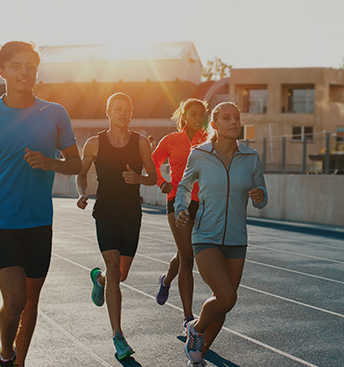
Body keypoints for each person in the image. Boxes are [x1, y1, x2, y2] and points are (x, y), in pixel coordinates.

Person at [0, 41, 82, 367]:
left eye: (30, 66)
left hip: (39, 222)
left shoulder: (54, 113)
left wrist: (50, 163)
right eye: (16, 66)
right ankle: (6, 355)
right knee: (14, 301)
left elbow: (76, 164)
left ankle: (18, 363)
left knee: (30, 302)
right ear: (2, 71)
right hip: (0, 220)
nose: (25, 72)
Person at [175, 102, 268, 367]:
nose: (233, 122)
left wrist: (260, 196)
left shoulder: (250, 157)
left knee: (223, 303)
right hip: (206, 236)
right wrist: (181, 208)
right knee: (227, 296)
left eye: (236, 118)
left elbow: (261, 195)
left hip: (237, 239)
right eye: (226, 118)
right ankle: (196, 327)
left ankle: (198, 354)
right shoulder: (199, 154)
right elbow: (184, 186)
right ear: (214, 124)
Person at [76, 92, 157, 360]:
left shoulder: (141, 143)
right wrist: (82, 193)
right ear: (108, 112)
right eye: (118, 109)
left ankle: (97, 279)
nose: (123, 113)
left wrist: (138, 178)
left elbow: (153, 177)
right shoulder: (94, 143)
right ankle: (118, 335)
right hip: (106, 213)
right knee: (113, 268)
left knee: (119, 276)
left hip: (131, 215)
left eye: (127, 109)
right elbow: (82, 172)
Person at [151, 98, 208, 335]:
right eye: (193, 113)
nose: (198, 117)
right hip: (178, 201)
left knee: (185, 253)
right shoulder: (171, 140)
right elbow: (152, 162)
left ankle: (166, 281)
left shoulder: (209, 140)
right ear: (184, 116)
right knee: (187, 257)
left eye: (201, 114)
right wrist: (162, 182)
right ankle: (188, 319)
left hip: (204, 203)